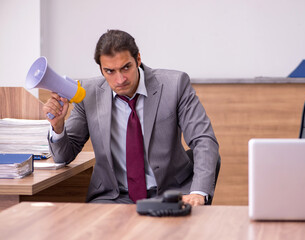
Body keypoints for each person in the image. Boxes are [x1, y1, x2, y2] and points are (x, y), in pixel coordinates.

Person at [44, 29, 219, 206]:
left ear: (138, 59)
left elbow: (203, 140)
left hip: (172, 192)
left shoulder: (174, 85)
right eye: (110, 71)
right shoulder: (88, 94)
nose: (120, 79)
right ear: (101, 70)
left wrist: (197, 193)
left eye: (126, 67)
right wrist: (58, 127)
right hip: (114, 197)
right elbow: (63, 157)